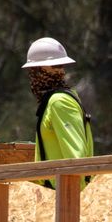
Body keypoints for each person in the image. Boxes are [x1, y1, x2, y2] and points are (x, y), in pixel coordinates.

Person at [23, 37, 94, 188]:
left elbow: (76, 157)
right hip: (55, 194)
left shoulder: (59, 102)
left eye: (60, 65)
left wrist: (71, 201)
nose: (60, 71)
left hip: (63, 196)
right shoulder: (53, 101)